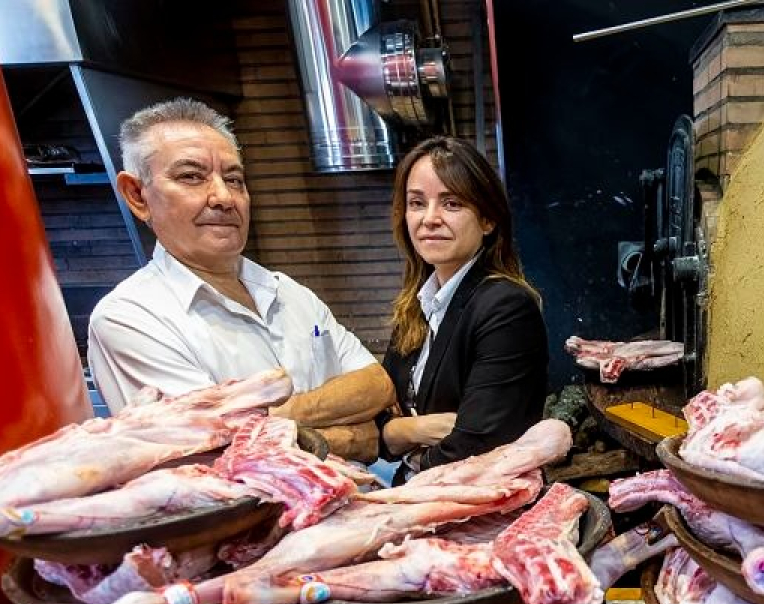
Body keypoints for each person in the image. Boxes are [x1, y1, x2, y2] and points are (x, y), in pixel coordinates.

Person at [87, 98, 394, 459]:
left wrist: (261, 424)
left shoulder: (288, 292)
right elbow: (213, 453)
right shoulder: (130, 319)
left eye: (234, 179)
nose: (223, 197)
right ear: (137, 196)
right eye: (192, 177)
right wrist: (349, 438)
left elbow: (377, 384)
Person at [378, 136, 548, 479]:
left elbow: (476, 445)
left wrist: (409, 450)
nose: (429, 219)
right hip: (418, 494)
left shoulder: (506, 307)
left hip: (478, 506)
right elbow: (379, 423)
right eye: (416, 203)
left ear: (487, 220)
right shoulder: (417, 305)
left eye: (451, 203)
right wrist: (407, 431)